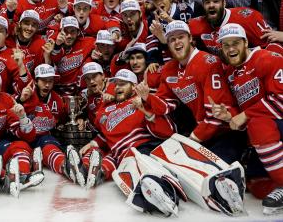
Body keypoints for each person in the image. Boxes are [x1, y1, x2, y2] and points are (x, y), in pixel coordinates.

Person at [137, 20, 244, 164]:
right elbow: (166, 105)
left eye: (181, 37)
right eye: (172, 39)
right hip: (202, 131)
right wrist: (147, 97)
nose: (176, 42)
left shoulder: (208, 63)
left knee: (207, 172)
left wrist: (192, 140)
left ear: (190, 39)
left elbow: (216, 116)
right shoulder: (169, 69)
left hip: (228, 131)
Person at [211, 23, 283, 215]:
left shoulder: (267, 58)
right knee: (257, 186)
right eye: (226, 45)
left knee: (258, 124)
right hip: (268, 130)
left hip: (276, 124)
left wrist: (246, 115)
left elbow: (281, 101)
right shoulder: (233, 74)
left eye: (235, 43)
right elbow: (246, 122)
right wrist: (230, 117)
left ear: (245, 43)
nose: (231, 49)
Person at [78, 69, 175, 189]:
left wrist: (145, 109)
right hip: (125, 159)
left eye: (123, 84)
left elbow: (168, 132)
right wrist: (92, 143)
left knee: (153, 179)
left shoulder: (142, 101)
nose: (118, 87)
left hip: (145, 149)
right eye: (116, 84)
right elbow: (105, 134)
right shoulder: (105, 110)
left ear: (134, 86)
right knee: (144, 185)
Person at [51, 16, 95, 95]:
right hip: (56, 89)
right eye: (66, 32)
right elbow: (53, 59)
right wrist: (57, 45)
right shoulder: (53, 44)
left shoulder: (87, 42)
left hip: (78, 89)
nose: (69, 36)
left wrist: (97, 52)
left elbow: (103, 46)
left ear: (78, 32)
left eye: (72, 32)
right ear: (60, 32)